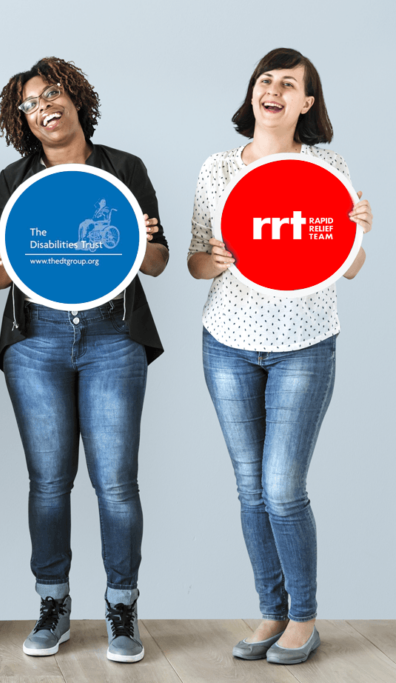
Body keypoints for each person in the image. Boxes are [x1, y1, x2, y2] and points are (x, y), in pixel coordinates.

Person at [187, 47, 371, 665]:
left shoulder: (327, 166)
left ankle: (304, 616)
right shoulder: (217, 168)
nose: (274, 89)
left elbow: (347, 265)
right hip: (227, 342)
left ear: (306, 104)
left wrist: (358, 232)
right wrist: (212, 258)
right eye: (266, 79)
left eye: (289, 84)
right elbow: (194, 262)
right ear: (253, 94)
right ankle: (269, 611)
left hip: (305, 343)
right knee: (249, 488)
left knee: (282, 487)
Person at [0, 57, 168, 663]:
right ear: (23, 121)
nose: (45, 107)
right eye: (31, 103)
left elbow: (158, 260)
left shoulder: (123, 170)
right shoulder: (14, 180)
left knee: (115, 483)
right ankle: (53, 605)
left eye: (53, 93)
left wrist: (144, 242)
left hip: (113, 335)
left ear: (75, 97)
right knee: (49, 482)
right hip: (36, 338)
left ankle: (121, 608)